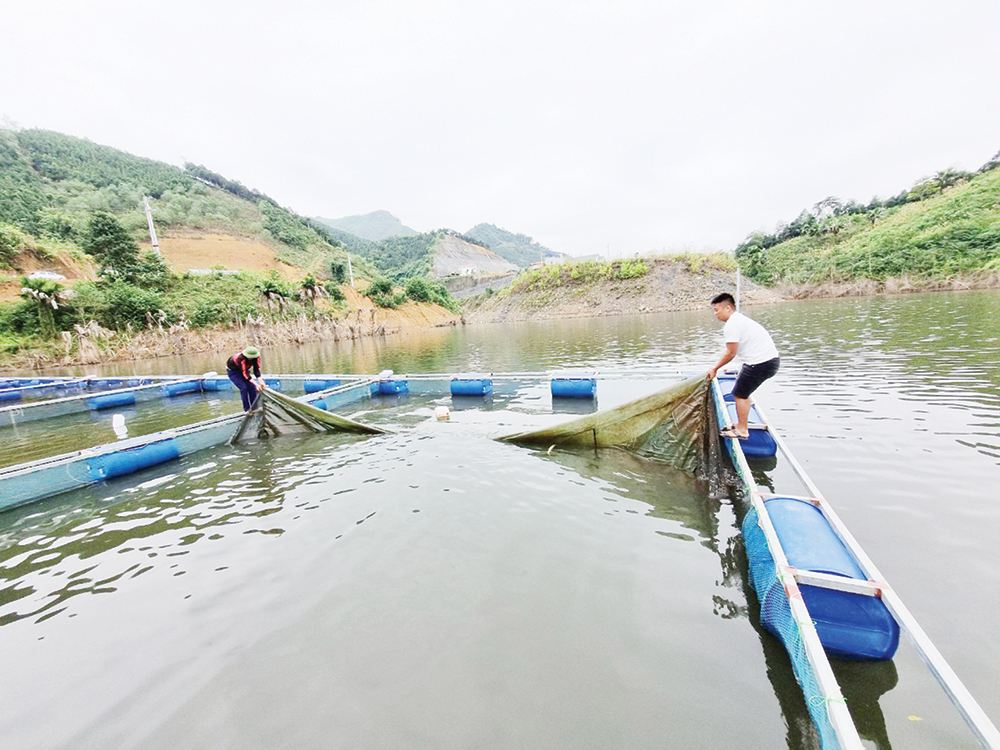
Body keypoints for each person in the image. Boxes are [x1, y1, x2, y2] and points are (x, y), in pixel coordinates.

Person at [706, 293, 779, 439]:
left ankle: (742, 430)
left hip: (761, 364)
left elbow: (730, 353)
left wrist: (714, 368)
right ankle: (741, 423)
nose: (715, 314)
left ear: (728, 308)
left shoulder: (732, 324)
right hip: (765, 361)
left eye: (717, 310)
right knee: (742, 390)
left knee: (739, 394)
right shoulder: (739, 320)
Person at [227, 346, 266, 411]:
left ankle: (255, 407)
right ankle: (247, 409)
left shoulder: (256, 358)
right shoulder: (241, 359)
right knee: (244, 388)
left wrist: (261, 381)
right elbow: (245, 375)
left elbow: (256, 370)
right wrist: (257, 384)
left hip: (244, 370)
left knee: (252, 387)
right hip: (234, 372)